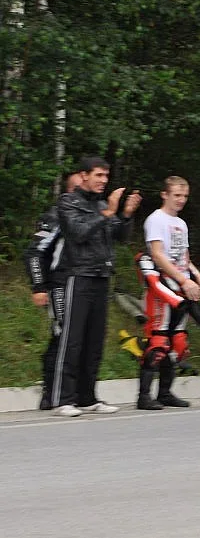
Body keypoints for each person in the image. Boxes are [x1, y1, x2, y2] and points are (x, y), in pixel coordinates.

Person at [50, 156, 141, 416]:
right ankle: (63, 399)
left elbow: (119, 237)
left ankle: (87, 398)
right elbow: (78, 233)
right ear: (84, 176)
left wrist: (125, 215)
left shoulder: (102, 204)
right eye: (99, 175)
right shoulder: (68, 202)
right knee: (72, 340)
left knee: (94, 341)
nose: (103, 181)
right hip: (77, 276)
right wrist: (109, 213)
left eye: (106, 176)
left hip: (102, 276)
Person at [138, 176, 200, 410]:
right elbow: (158, 255)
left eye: (184, 196)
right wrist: (183, 281)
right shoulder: (156, 219)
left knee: (178, 342)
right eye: (177, 195)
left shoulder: (181, 224)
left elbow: (186, 261)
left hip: (183, 286)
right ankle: (144, 395)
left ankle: (165, 392)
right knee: (158, 342)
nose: (181, 200)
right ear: (165, 194)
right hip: (163, 288)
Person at [23, 170, 82, 410]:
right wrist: (38, 286)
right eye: (77, 188)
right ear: (68, 191)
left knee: (78, 339)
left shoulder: (90, 215)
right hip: (59, 284)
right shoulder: (56, 215)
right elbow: (33, 253)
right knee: (62, 335)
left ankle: (75, 392)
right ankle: (51, 392)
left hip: (84, 286)